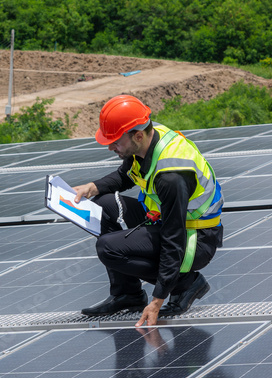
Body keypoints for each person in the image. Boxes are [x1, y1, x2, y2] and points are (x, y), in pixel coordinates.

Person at [72, 94, 223, 326]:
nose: (111, 147)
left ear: (138, 136)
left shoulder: (171, 176)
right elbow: (125, 175)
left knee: (108, 248)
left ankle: (187, 284)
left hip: (194, 238)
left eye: (115, 142)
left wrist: (157, 299)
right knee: (101, 205)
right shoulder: (148, 137)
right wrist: (92, 188)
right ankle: (127, 294)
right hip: (164, 222)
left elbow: (174, 239)